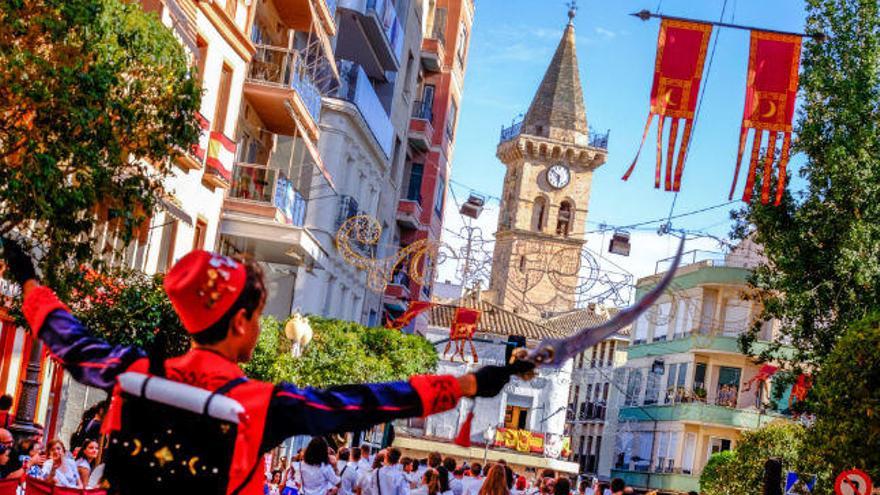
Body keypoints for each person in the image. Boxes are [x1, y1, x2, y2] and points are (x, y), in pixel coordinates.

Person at [1, 241, 535, 494]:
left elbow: (66, 337)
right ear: (237, 323)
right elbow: (365, 402)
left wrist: (28, 278)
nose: (261, 328)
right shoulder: (260, 405)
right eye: (257, 316)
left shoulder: (129, 370)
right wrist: (469, 382)